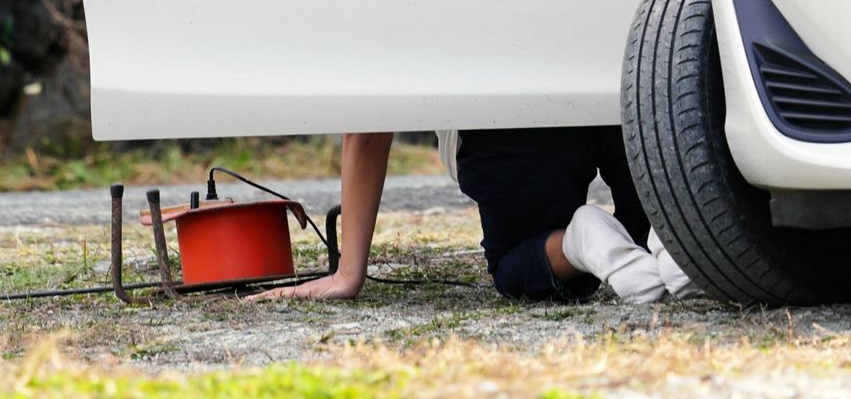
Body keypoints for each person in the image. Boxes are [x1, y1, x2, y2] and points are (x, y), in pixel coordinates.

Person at [247, 129, 698, 303]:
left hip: (508, 127)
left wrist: (348, 273)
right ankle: (676, 237)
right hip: (630, 81)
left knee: (516, 264)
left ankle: (584, 240)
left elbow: (367, 132)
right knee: (651, 208)